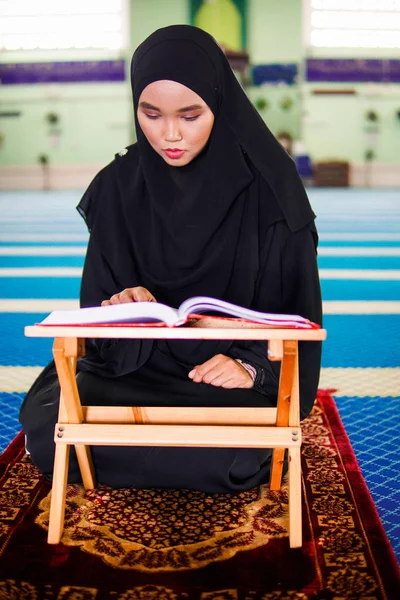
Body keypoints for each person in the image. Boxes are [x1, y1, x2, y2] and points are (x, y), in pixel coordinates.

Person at [20, 25, 322, 493]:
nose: (171, 134)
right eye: (152, 114)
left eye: (190, 114)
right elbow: (95, 325)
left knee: (236, 450)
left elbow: (298, 314)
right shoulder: (118, 186)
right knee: (51, 430)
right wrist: (118, 308)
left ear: (218, 103)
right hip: (134, 369)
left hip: (224, 380)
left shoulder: (272, 193)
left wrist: (251, 367)